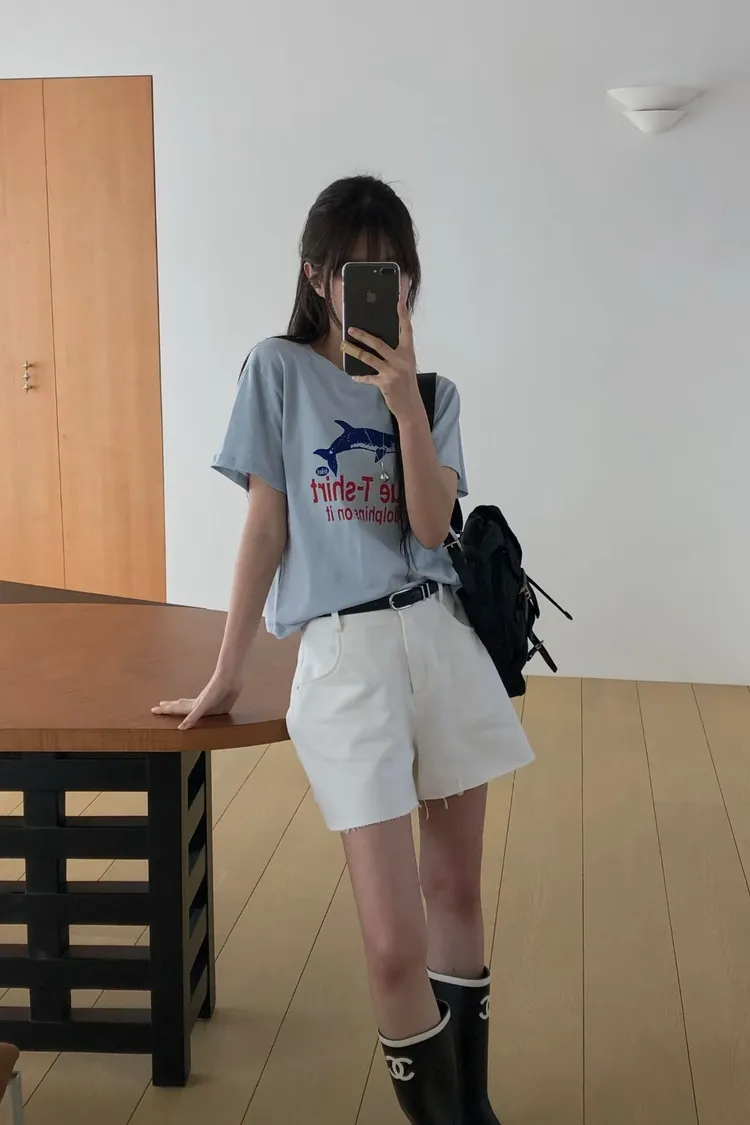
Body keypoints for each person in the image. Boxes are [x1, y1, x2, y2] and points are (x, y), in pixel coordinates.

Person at [153, 175, 534, 1125]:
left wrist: (405, 407)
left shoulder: (435, 394)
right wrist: (228, 668)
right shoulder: (276, 371)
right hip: (344, 656)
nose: (376, 284)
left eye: (392, 270)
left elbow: (431, 525)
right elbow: (266, 526)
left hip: (440, 641)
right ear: (316, 277)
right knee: (393, 945)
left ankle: (471, 1112)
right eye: (355, 269)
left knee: (457, 891)